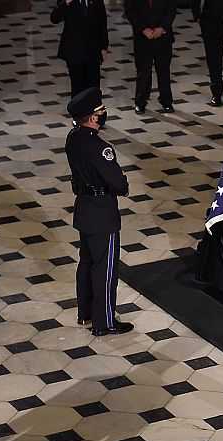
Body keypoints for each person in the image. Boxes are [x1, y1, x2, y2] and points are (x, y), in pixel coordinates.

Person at [65, 88, 134, 336]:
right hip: (102, 213)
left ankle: (85, 315)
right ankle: (104, 322)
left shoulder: (73, 137)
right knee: (105, 270)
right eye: (101, 110)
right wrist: (123, 186)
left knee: (86, 264)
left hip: (83, 209)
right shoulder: (101, 148)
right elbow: (118, 184)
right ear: (93, 118)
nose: (104, 113)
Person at [124, 0, 177, 114]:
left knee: (163, 70)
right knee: (143, 71)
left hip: (163, 37)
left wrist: (162, 28)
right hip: (142, 38)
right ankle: (140, 102)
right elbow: (130, 11)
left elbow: (171, 9)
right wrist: (143, 29)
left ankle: (166, 101)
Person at [50, 0, 110, 97]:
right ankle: (78, 110)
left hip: (92, 50)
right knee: (77, 86)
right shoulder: (67, 1)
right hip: (74, 50)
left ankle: (92, 110)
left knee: (93, 86)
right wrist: (66, 3)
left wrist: (104, 46)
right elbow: (54, 18)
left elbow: (102, 22)